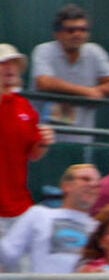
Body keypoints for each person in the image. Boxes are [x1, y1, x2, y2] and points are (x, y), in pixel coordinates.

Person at [29, 3, 109, 143]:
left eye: (82, 29)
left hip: (82, 139)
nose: (77, 34)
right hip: (45, 142)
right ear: (57, 34)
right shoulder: (44, 51)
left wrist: (96, 90)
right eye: (70, 30)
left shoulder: (94, 51)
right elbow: (44, 82)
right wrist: (85, 92)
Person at [0, 43, 54, 235]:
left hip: (20, 208)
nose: (10, 68)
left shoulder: (25, 107)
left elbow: (33, 153)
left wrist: (43, 143)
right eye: (3, 63)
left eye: (13, 63)